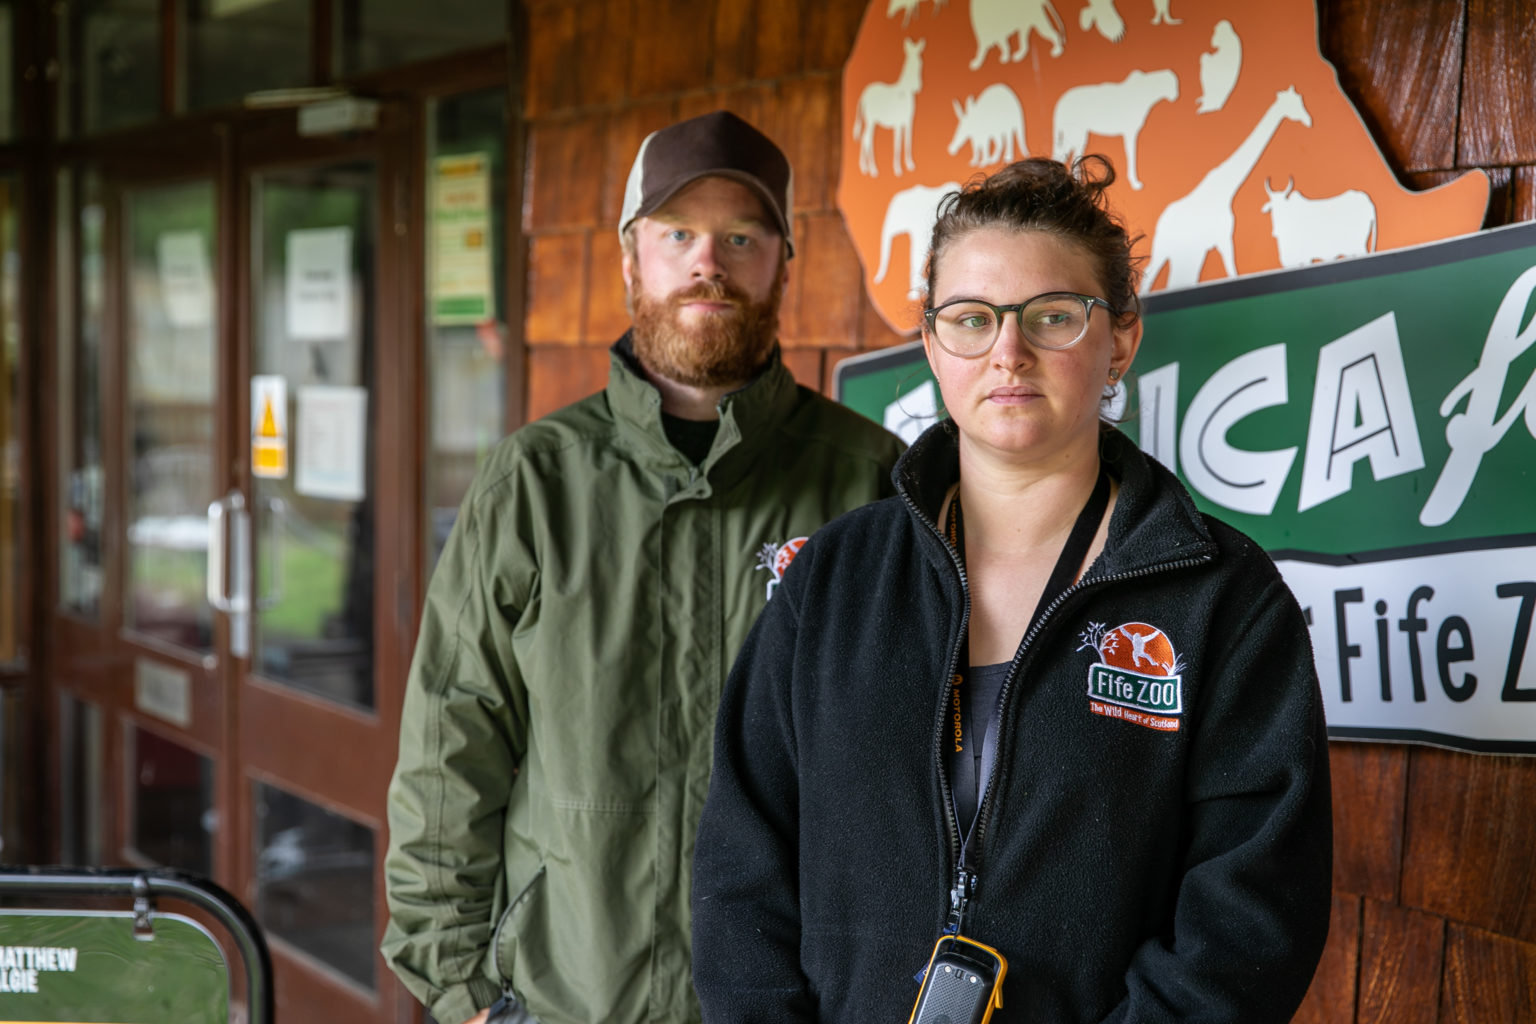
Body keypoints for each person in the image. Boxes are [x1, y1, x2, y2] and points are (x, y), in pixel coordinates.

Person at [691, 155, 1332, 1022]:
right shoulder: (832, 581)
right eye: (971, 318)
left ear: (1120, 340)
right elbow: (741, 871)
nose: (1008, 352)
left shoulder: (1222, 600)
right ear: (932, 345)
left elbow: (1248, 922)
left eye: (1053, 316)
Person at [381, 110, 905, 1024]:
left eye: (741, 238)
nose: (709, 263)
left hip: (791, 1003)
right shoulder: (534, 483)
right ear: (631, 259)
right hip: (565, 995)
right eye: (678, 236)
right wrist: (463, 989)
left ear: (784, 264)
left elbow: (915, 769)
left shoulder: (869, 482)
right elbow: (450, 746)